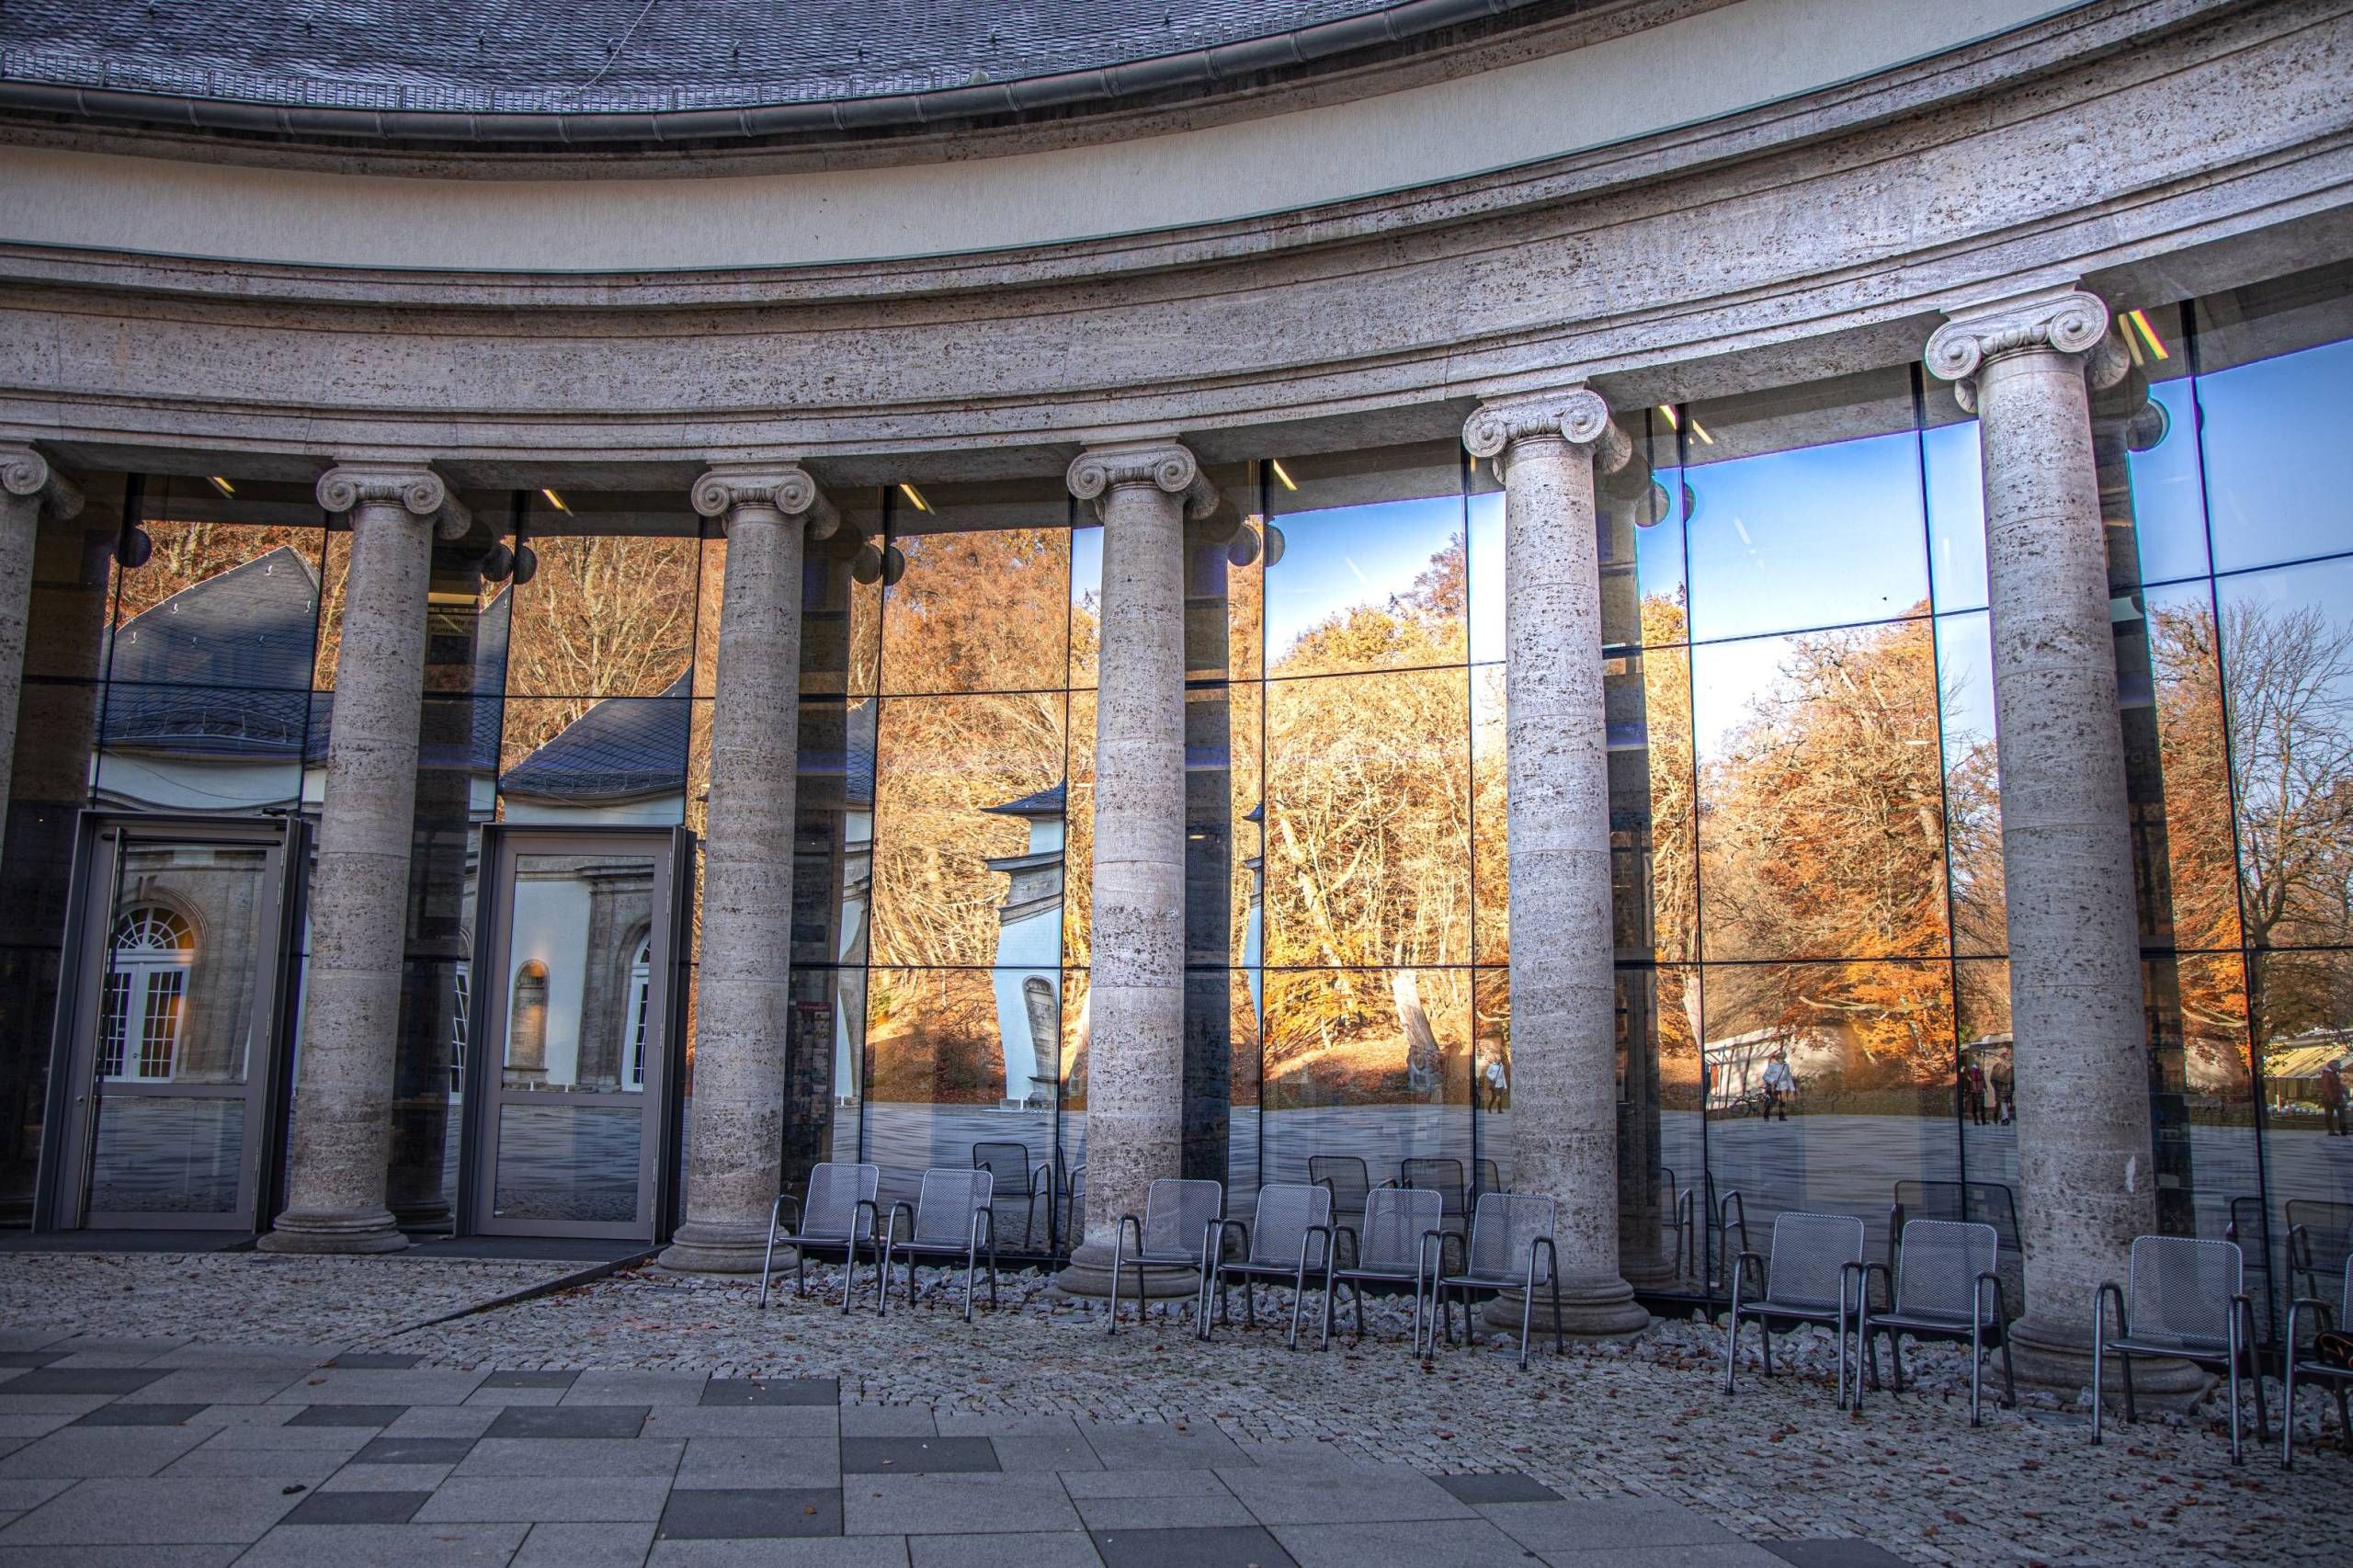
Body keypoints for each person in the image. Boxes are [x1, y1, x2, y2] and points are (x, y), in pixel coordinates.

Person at [1761, 1051, 1795, 1122]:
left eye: (1783, 1058)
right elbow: (1765, 1076)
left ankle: (1782, 1116)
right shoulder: (1772, 1066)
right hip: (1774, 1086)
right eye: (1780, 1058)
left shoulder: (1786, 1066)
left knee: (1783, 1101)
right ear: (1778, 1058)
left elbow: (1788, 1077)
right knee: (1772, 1101)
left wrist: (1792, 1089)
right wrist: (1772, 1081)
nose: (1781, 1059)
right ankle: (1766, 1115)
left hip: (1783, 1086)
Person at [2322, 1058, 2349, 1138]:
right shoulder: (2327, 1074)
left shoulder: (2336, 1073)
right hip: (2329, 1098)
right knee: (2329, 1114)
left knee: (2342, 1113)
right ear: (2332, 1066)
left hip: (2338, 1096)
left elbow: (2340, 1085)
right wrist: (2331, 1097)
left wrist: (2344, 1094)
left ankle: (2343, 1129)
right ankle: (2331, 1130)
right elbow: (2327, 1087)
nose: (2339, 1066)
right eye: (2338, 1065)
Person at [1962, 1061, 1989, 1127]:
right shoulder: (1973, 1071)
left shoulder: (1978, 1071)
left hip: (1979, 1090)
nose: (1981, 1066)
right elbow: (1975, 1078)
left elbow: (1982, 1080)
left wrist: (1985, 1087)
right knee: (1976, 1106)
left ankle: (1982, 1120)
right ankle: (1977, 1120)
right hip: (1975, 1090)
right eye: (1980, 1065)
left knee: (1981, 1105)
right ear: (1977, 1065)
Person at [1992, 1059, 2015, 1126]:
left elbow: (1993, 1079)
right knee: (2002, 1103)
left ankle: (2004, 1118)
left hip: (2004, 1090)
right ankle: (2003, 1118)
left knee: (2003, 1103)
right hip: (2002, 1090)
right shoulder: (1998, 1067)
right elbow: (1994, 1079)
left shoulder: (2009, 1068)